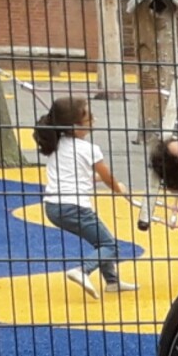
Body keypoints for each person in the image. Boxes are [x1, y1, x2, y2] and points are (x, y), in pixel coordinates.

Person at [32, 96, 144, 296]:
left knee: (100, 240)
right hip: (74, 206)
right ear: (75, 127)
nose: (93, 119)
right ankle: (82, 270)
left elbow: (76, 174)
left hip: (53, 206)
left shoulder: (56, 145)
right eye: (88, 117)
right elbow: (107, 175)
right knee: (109, 245)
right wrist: (118, 188)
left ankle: (112, 281)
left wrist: (99, 181)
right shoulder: (89, 149)